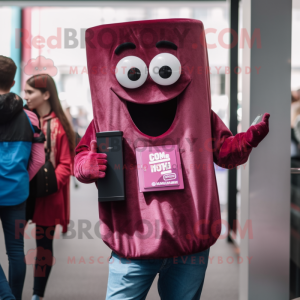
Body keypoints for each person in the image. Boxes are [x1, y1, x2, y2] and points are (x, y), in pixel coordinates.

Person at [74, 19, 270, 300]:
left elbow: (225, 153)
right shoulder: (108, 119)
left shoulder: (200, 116)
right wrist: (86, 166)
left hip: (188, 242)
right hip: (134, 242)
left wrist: (248, 138)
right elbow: (80, 157)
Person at [24, 74, 75, 300]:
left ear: (45, 95)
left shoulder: (59, 126)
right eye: (25, 92)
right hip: (21, 193)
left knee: (43, 248)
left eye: (30, 92)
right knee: (13, 247)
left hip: (48, 195)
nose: (25, 97)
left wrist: (49, 182)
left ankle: (37, 294)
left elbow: (67, 164)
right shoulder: (24, 119)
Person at [0, 56, 45, 300]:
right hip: (17, 193)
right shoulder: (31, 117)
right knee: (16, 251)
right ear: (14, 81)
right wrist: (17, 179)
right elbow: (38, 160)